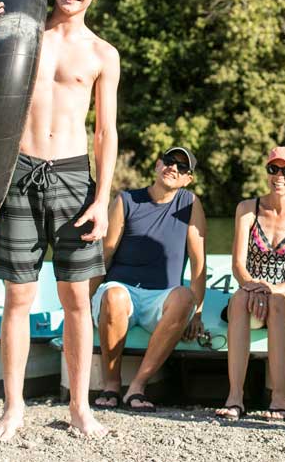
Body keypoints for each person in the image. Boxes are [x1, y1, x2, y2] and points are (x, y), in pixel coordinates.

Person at [0, 0, 120, 440]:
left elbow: (106, 133)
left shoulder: (103, 54)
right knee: (18, 296)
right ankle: (13, 409)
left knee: (77, 299)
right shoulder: (25, 37)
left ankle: (80, 407)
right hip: (22, 171)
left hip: (76, 179)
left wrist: (102, 200)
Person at [90, 146, 207, 412]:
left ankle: (138, 386)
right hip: (121, 290)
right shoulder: (126, 200)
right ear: (157, 165)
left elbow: (199, 264)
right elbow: (104, 255)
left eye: (182, 168)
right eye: (169, 161)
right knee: (114, 295)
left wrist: (197, 314)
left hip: (161, 298)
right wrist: (85, 301)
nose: (173, 168)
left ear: (188, 179)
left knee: (184, 297)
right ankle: (111, 383)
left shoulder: (190, 204)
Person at [215, 146, 285, 422]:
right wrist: (252, 286)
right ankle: (235, 397)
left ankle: (278, 399)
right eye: (274, 169)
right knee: (237, 299)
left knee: (276, 302)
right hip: (250, 292)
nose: (279, 177)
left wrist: (273, 289)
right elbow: (238, 265)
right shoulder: (247, 209)